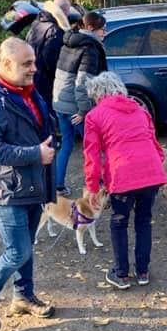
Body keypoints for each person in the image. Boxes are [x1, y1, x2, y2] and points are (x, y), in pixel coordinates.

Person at [0, 37, 57, 331]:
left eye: (33, 62)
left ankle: (23, 297)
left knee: (26, 247)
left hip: (31, 183)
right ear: (6, 64)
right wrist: (36, 153)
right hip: (5, 190)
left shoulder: (26, 91)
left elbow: (38, 125)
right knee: (17, 251)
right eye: (27, 63)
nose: (35, 68)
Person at [82, 72, 166, 290]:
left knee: (119, 221)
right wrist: (156, 165)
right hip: (150, 171)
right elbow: (154, 143)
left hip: (122, 174)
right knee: (143, 220)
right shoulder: (140, 109)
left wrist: (92, 187)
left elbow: (91, 155)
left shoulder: (94, 115)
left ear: (98, 94)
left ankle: (121, 272)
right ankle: (143, 270)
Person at [52, 11, 108, 197]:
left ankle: (58, 185)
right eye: (102, 30)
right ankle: (99, 184)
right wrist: (84, 111)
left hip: (61, 104)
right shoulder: (90, 48)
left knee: (66, 144)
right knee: (93, 146)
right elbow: (82, 83)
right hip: (76, 108)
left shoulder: (69, 41)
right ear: (91, 28)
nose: (104, 33)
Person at [25, 0, 71, 105]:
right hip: (46, 84)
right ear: (64, 12)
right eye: (68, 12)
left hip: (32, 77)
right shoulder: (55, 31)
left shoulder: (37, 23)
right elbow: (52, 62)